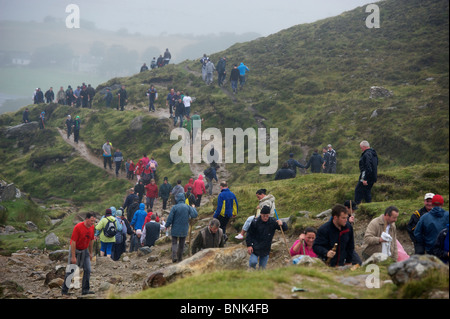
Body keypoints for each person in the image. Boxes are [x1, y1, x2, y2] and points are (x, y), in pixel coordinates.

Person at [61, 213, 95, 296]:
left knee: (88, 269)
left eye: (94, 221)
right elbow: (73, 242)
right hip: (75, 250)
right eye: (91, 221)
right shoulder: (78, 227)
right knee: (71, 270)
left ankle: (85, 290)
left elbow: (91, 240)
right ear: (86, 219)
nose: (92, 223)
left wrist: (90, 253)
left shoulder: (92, 227)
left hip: (85, 250)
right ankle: (64, 291)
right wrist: (73, 256)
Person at [165, 193, 198, 262]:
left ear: (177, 199)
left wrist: (167, 225)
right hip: (184, 228)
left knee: (174, 243)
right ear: (183, 199)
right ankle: (180, 258)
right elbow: (194, 215)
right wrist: (193, 208)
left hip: (175, 228)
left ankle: (174, 257)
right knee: (181, 244)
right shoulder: (188, 207)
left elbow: (170, 218)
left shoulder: (174, 207)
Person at [354, 140, 378, 204]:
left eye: (361, 147)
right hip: (373, 176)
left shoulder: (366, 154)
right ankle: (368, 205)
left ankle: (356, 207)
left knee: (358, 191)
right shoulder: (374, 153)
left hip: (367, 176)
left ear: (364, 147)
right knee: (367, 191)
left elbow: (367, 167)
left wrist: (364, 179)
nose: (361, 149)